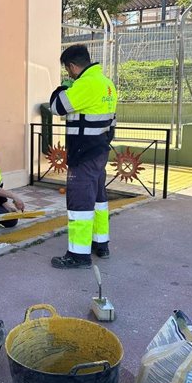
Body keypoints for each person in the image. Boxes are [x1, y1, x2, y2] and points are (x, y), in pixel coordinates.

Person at [49, 44, 118, 268]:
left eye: (68, 71)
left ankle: (78, 255)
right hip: (99, 152)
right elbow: (112, 123)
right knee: (98, 200)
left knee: (80, 203)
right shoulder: (107, 84)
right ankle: (101, 244)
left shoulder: (86, 84)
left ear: (72, 66)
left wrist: (61, 88)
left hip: (83, 154)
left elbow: (57, 107)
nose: (68, 75)